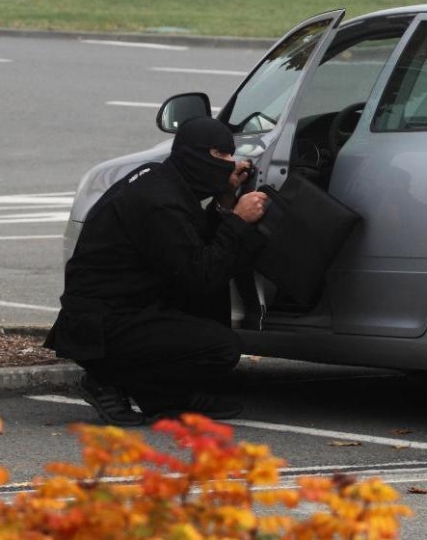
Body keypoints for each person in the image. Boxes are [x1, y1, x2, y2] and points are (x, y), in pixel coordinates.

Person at [45, 116, 270, 426]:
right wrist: (238, 221)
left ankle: (166, 397)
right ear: (194, 154)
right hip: (102, 324)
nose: (229, 164)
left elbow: (195, 247)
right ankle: (106, 379)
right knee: (221, 348)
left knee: (210, 294)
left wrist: (225, 200)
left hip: (128, 309)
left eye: (231, 155)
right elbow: (200, 273)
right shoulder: (158, 201)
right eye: (221, 156)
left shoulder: (164, 182)